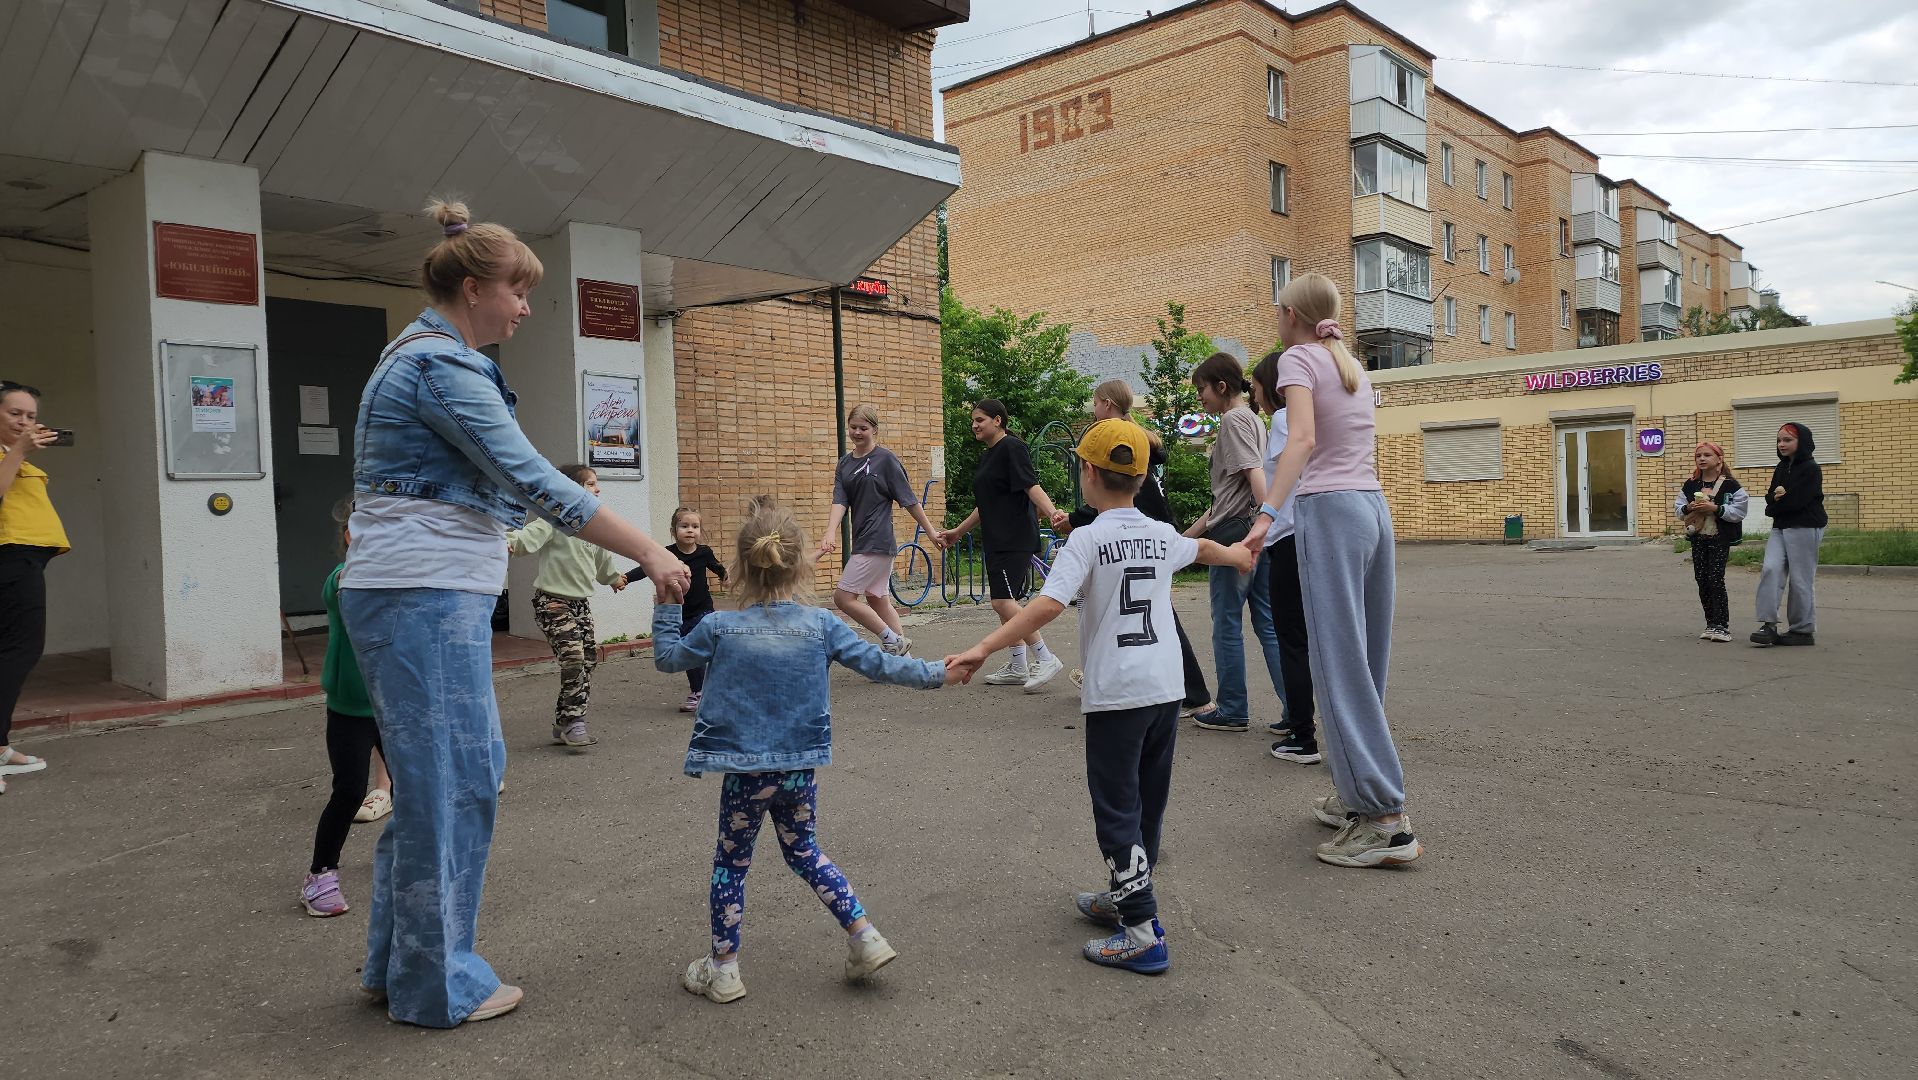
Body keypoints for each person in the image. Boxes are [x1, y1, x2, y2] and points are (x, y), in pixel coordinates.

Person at [342, 199, 689, 1028]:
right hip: (421, 594)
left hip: (419, 591)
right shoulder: (442, 366)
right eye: (517, 290)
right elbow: (537, 480)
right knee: (455, 786)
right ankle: (437, 987)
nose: (527, 306)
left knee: (442, 784)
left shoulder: (424, 356)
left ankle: (400, 967)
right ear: (472, 288)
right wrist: (648, 549)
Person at [946, 419, 1253, 974]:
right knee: (1146, 804)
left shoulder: (1086, 538)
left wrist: (982, 648)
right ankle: (1127, 893)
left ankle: (1140, 930)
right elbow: (1202, 547)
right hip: (1165, 691)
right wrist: (1240, 556)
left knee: (1116, 808)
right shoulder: (1160, 533)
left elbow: (1046, 606)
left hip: (1118, 695)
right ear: (1139, 478)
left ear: (1087, 472)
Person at [652, 501, 945, 1004]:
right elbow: (880, 665)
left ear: (741, 567)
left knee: (731, 863)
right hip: (799, 771)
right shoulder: (822, 625)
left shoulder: (719, 627)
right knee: (805, 850)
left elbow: (666, 659)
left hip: (746, 774)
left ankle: (723, 969)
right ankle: (864, 936)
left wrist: (665, 603)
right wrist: (938, 672)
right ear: (802, 564)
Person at [1241, 272, 1421, 868]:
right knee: (1365, 659)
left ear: (1290, 313)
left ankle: (1383, 818)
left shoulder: (1296, 359)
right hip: (1372, 506)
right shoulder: (1349, 363)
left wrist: (1267, 516)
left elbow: (1301, 441)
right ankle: (1359, 794)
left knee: (1336, 660)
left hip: (1330, 510)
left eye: (1276, 307)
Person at [1050, 380, 1213, 720]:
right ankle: (1187, 692)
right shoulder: (1140, 436)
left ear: (1107, 404)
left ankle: (1193, 694)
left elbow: (1110, 495)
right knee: (1149, 613)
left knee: (1133, 612)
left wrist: (1076, 519)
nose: (1093, 409)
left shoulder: (1114, 440)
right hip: (1151, 529)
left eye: (1095, 403)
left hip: (1136, 532)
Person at [1183, 354, 1286, 734]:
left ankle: (1232, 709)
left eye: (1202, 390)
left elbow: (1253, 476)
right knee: (1267, 622)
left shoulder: (1233, 419)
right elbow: (1224, 499)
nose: (1200, 399)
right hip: (1245, 528)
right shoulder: (1256, 421)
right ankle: (1294, 712)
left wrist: (1266, 519)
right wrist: (1187, 538)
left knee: (1226, 622)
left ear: (1221, 387)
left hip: (1237, 534)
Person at [939, 399, 1066, 692]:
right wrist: (958, 531)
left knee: (1002, 601)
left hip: (1014, 538)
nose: (974, 425)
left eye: (980, 419)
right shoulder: (989, 456)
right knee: (1002, 603)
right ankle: (1019, 664)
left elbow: (1030, 485)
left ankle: (1044, 657)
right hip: (997, 539)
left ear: (998, 420)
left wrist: (1052, 513)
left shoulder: (1012, 447)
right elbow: (986, 505)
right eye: (973, 420)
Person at [506, 463, 630, 749]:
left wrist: (614, 579)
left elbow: (602, 563)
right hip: (552, 602)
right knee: (573, 658)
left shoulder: (592, 530)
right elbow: (526, 539)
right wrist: (507, 542)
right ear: (570, 489)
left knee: (587, 661)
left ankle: (564, 722)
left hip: (580, 605)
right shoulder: (553, 521)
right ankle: (575, 722)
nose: (598, 489)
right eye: (590, 484)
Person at [303, 500, 385, 916]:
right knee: (349, 791)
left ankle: (417, 862)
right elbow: (349, 590)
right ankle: (320, 875)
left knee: (421, 788)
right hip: (351, 708)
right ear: (351, 537)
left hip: (397, 706)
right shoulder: (342, 579)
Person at [817, 404, 942, 657]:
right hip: (861, 540)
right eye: (853, 427)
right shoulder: (844, 465)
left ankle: (891, 640)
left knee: (843, 598)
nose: (857, 432)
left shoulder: (886, 460)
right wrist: (830, 531)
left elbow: (909, 500)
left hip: (878, 540)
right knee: (876, 598)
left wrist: (929, 531)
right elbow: (840, 501)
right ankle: (903, 659)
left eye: (863, 428)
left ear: (874, 429)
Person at [1246, 354, 1316, 763]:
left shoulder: (1286, 418)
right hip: (1303, 534)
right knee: (1309, 639)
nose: (1253, 392)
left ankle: (1302, 735)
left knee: (1292, 639)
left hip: (1288, 536)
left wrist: (1266, 518)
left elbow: (1287, 472)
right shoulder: (1307, 416)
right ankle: (1305, 729)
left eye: (1255, 385)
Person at [0, 380, 65, 796]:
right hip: (9, 559)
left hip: (23, 561)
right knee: (18, 651)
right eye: (14, 414)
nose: (25, 422)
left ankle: (1, 746)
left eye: (31, 416)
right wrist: (19, 452)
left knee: (13, 650)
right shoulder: (10, 455)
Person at [626, 506, 728, 713]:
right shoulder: (667, 553)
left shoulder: (704, 552)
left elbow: (716, 566)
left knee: (703, 652)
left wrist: (725, 575)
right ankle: (698, 691)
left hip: (702, 611)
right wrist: (626, 578)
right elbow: (646, 567)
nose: (690, 530)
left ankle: (709, 691)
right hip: (679, 614)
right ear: (674, 530)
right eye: (684, 526)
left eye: (695, 526)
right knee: (689, 655)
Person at [1751, 422, 1826, 647]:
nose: (1781, 444)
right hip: (1780, 527)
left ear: (1801, 442)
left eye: (1787, 440)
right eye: (1779, 440)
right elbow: (1769, 498)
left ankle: (1802, 630)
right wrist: (1773, 503)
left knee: (1801, 579)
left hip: (1805, 526)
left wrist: (1773, 505)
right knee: (1770, 569)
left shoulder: (1811, 468)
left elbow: (1795, 502)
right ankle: (1768, 625)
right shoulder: (1781, 467)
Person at [1675, 441, 1749, 644]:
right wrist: (1688, 508)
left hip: (1719, 537)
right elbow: (1678, 508)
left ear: (1719, 459)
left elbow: (1740, 511)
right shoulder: (1691, 485)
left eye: (1707, 455)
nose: (1702, 458)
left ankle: (1722, 626)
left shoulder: (1731, 485)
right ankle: (1710, 623)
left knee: (1716, 578)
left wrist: (1716, 509)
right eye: (1699, 455)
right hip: (1698, 537)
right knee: (1701, 578)